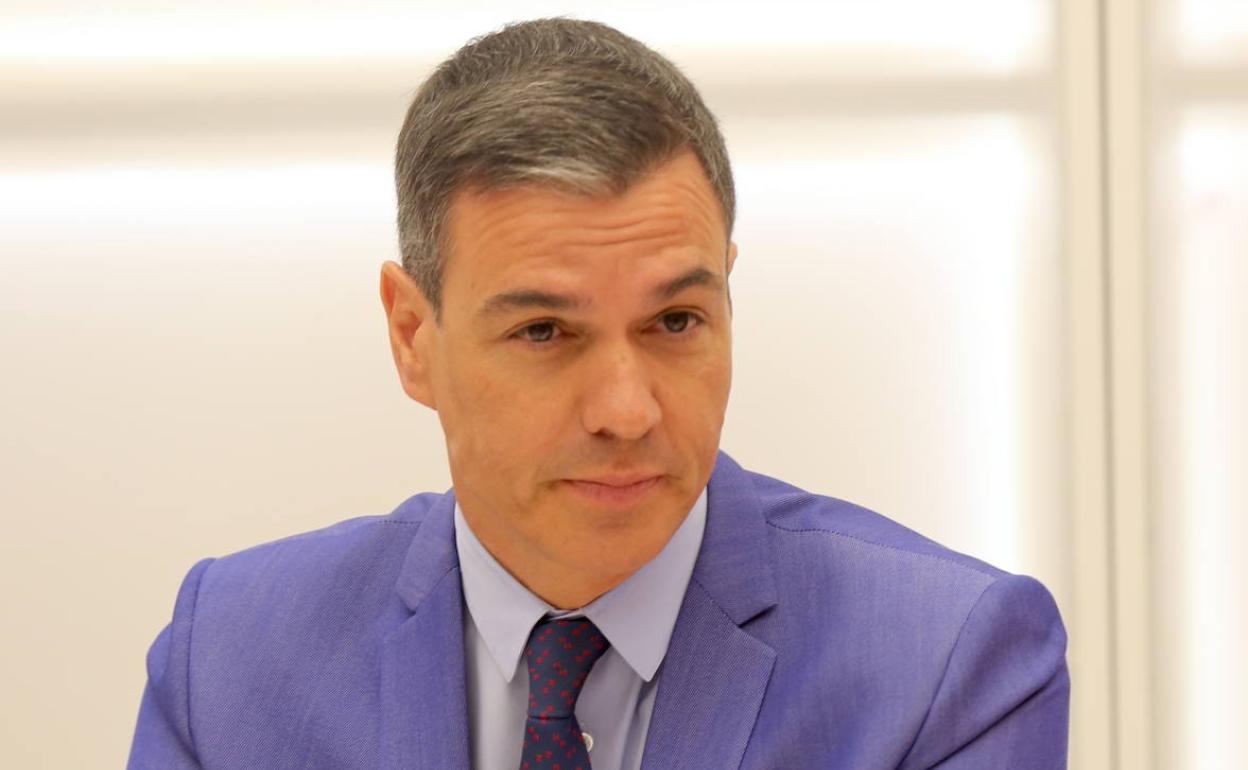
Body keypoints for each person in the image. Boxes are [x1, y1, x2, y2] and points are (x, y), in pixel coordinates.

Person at [127, 18, 1069, 770]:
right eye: (545, 332)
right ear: (414, 337)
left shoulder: (949, 665)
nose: (627, 411)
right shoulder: (233, 659)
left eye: (676, 321)